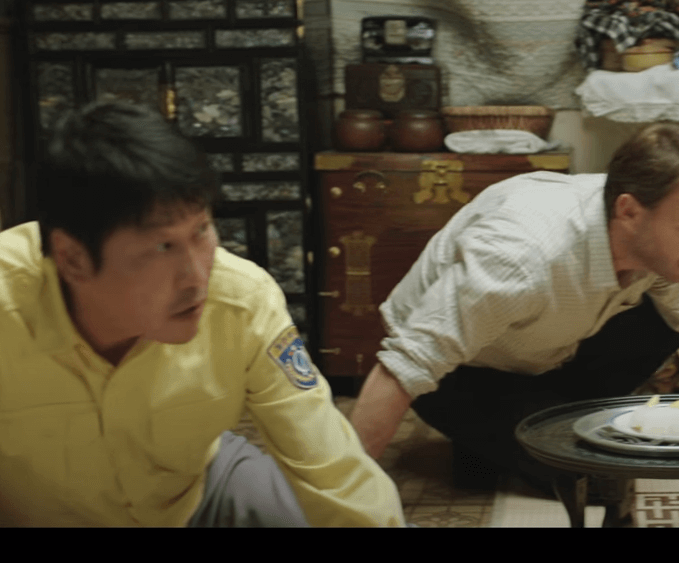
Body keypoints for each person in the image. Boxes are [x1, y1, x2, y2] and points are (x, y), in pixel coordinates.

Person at [0, 101, 405, 527]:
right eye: (163, 247)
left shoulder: (241, 301)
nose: (196, 277)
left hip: (193, 497)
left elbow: (332, 473)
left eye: (201, 231)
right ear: (73, 258)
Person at [350, 122, 679, 498]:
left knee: (667, 314)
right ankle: (489, 435)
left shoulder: (653, 237)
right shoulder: (518, 255)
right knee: (601, 482)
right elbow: (405, 365)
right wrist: (342, 495)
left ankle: (510, 436)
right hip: (463, 374)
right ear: (629, 211)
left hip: (551, 350)